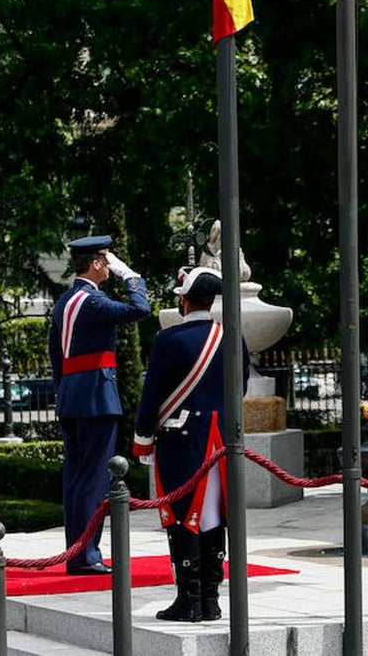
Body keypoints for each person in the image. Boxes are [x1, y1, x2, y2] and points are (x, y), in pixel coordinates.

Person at [133, 267, 250, 622]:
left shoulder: (169, 340)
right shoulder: (232, 337)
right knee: (214, 514)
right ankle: (210, 599)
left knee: (182, 514)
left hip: (182, 441)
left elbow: (151, 395)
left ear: (184, 301)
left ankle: (189, 600)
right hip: (220, 441)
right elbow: (240, 386)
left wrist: (143, 441)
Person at [49, 235, 149, 575]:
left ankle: (77, 551)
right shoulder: (92, 302)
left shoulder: (65, 301)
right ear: (95, 264)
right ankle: (86, 555)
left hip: (72, 397)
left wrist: (63, 393)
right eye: (107, 261)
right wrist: (131, 277)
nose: (110, 266)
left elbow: (55, 357)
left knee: (76, 478)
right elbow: (140, 309)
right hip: (96, 398)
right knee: (93, 479)